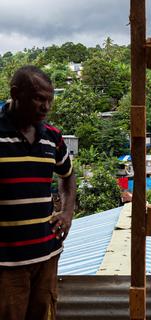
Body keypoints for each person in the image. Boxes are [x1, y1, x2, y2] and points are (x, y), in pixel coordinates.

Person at [0, 65, 76, 320]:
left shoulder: (52, 138)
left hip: (46, 256)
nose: (46, 107)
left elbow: (68, 176)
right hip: (7, 265)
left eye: (49, 100)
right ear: (15, 94)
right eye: (38, 99)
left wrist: (66, 213)